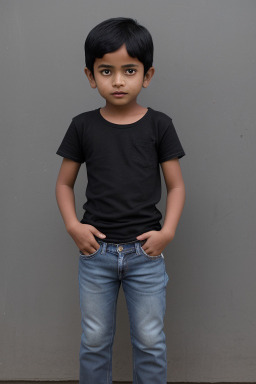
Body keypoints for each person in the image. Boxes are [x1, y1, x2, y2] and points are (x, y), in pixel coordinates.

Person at [55, 17, 186, 384]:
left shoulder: (159, 125)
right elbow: (64, 184)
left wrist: (168, 233)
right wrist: (73, 227)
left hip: (146, 254)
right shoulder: (82, 125)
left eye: (129, 70)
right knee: (95, 339)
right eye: (106, 70)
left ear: (147, 75)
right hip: (95, 254)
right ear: (90, 75)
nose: (117, 80)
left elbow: (176, 186)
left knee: (150, 340)